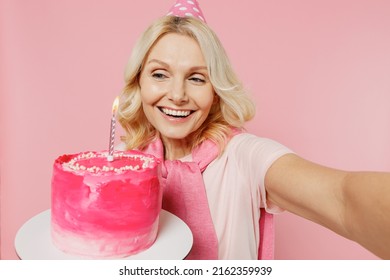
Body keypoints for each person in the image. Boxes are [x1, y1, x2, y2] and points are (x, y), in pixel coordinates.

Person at [117, 0, 390, 259]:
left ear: (215, 90)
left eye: (197, 78)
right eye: (160, 74)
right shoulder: (123, 162)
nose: (177, 95)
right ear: (138, 80)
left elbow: (341, 199)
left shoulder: (243, 157)